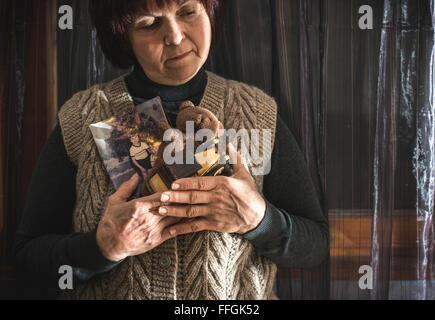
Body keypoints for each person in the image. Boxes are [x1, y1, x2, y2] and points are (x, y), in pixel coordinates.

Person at [14, 0, 329, 300]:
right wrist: (100, 248)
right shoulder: (81, 118)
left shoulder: (258, 113)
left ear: (210, 13)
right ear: (123, 37)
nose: (176, 36)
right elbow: (26, 259)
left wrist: (260, 220)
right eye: (149, 24)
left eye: (188, 11)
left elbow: (314, 245)